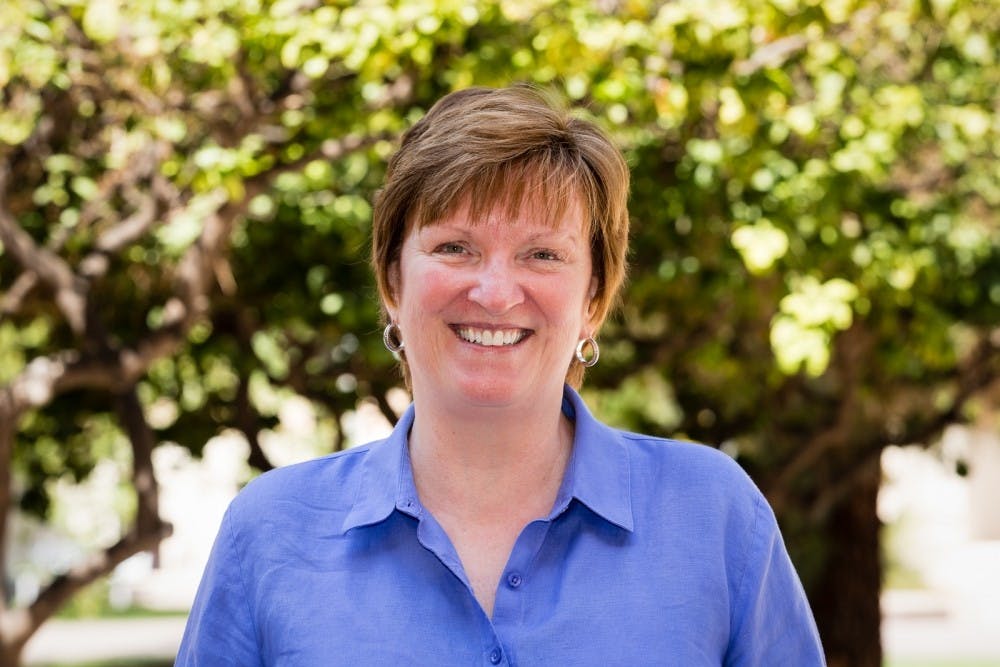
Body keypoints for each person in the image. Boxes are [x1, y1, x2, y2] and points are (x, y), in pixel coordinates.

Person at [175, 85, 824, 665]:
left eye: (542, 254)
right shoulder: (269, 533)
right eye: (455, 247)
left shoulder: (715, 517)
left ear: (593, 299)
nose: (495, 292)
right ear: (393, 282)